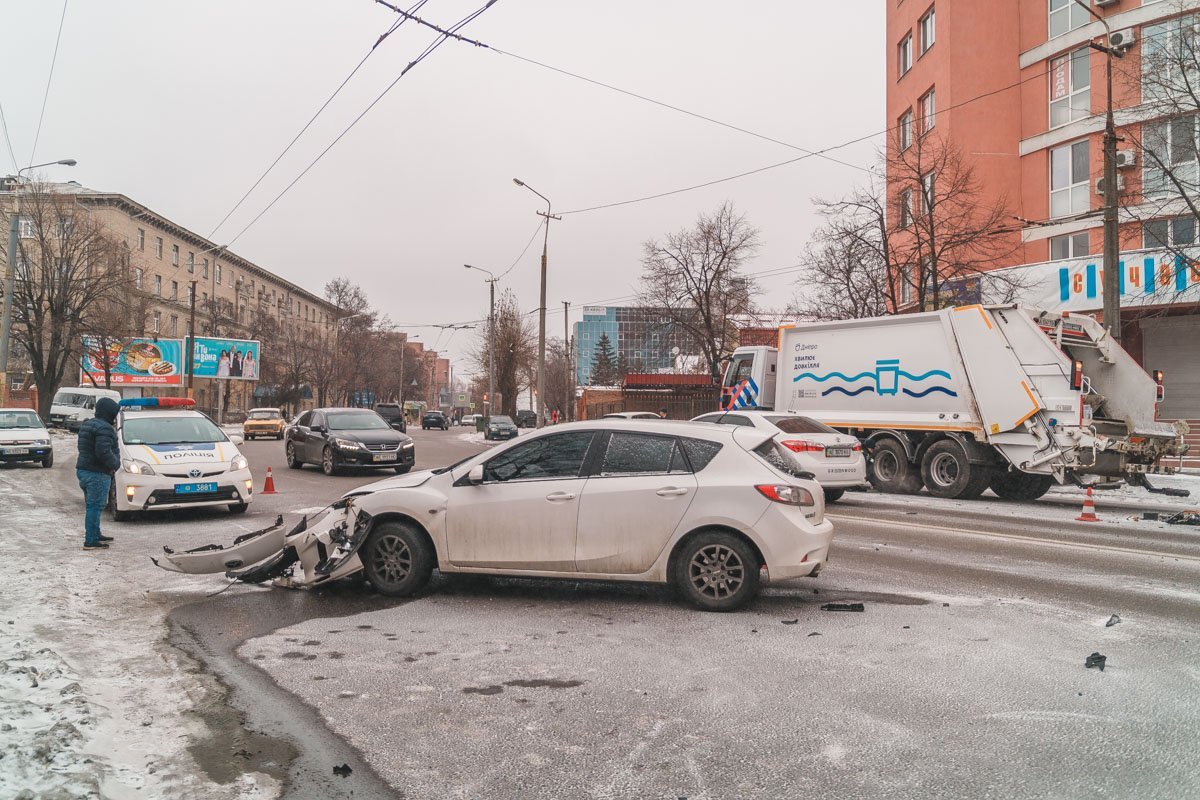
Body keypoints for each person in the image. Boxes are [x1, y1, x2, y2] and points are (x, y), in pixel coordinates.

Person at [76, 397, 121, 550]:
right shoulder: (105, 428)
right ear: (109, 412)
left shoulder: (88, 425)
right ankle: (91, 540)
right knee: (95, 506)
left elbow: (84, 447)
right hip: (97, 473)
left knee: (92, 505)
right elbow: (103, 451)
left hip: (83, 470)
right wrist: (116, 464)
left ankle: (95, 533)